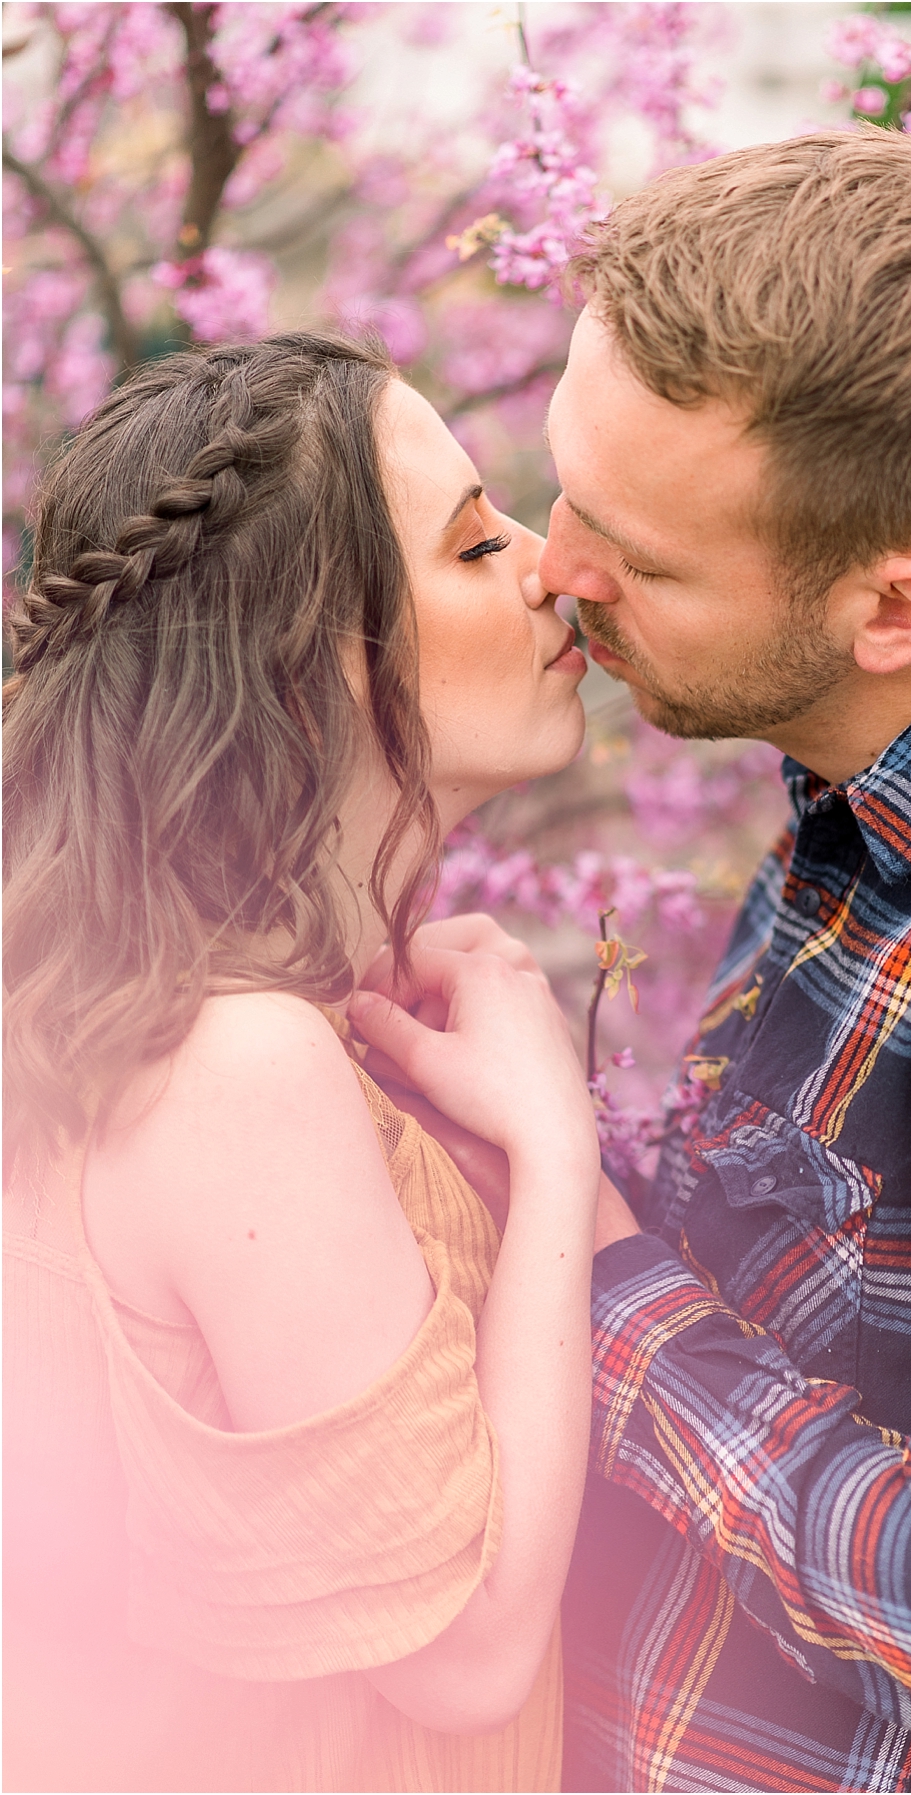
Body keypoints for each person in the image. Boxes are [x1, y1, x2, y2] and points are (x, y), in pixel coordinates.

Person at [359, 130, 911, 1793]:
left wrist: (591, 1253)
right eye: (566, 492)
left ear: (899, 610)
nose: (555, 571)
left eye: (642, 558)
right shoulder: (862, 816)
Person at [3, 331, 601, 1793]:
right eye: (472, 547)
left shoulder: (190, 1012)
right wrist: (556, 1155)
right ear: (323, 665)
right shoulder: (234, 1061)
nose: (549, 567)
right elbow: (461, 1658)